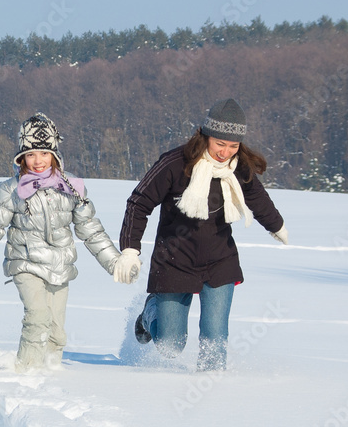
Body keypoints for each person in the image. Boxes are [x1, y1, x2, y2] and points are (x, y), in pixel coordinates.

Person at [114, 98, 288, 371]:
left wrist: (276, 225)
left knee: (215, 341)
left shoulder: (237, 167)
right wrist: (129, 249)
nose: (225, 152)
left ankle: (212, 400)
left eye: (233, 145)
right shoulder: (175, 164)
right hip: (174, 260)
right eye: (220, 143)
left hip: (220, 261)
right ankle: (151, 313)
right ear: (205, 135)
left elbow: (256, 196)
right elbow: (139, 203)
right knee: (171, 344)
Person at [0, 113, 121, 371]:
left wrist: (114, 261)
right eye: (31, 154)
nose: (38, 161)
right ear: (22, 156)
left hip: (60, 267)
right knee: (38, 317)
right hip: (25, 263)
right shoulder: (11, 190)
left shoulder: (71, 188)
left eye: (44, 154)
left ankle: (50, 373)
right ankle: (26, 371)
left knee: (57, 332)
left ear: (54, 155)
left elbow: (90, 229)